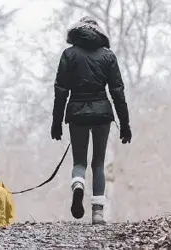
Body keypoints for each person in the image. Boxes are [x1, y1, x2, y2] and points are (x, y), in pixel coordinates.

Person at [50, 16, 132, 225]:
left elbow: (61, 90)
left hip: (76, 112)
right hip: (102, 113)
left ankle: (78, 184)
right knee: (98, 163)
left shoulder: (69, 54)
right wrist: (125, 124)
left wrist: (56, 121)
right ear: (99, 34)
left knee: (79, 161)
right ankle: (97, 214)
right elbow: (117, 91)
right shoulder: (108, 56)